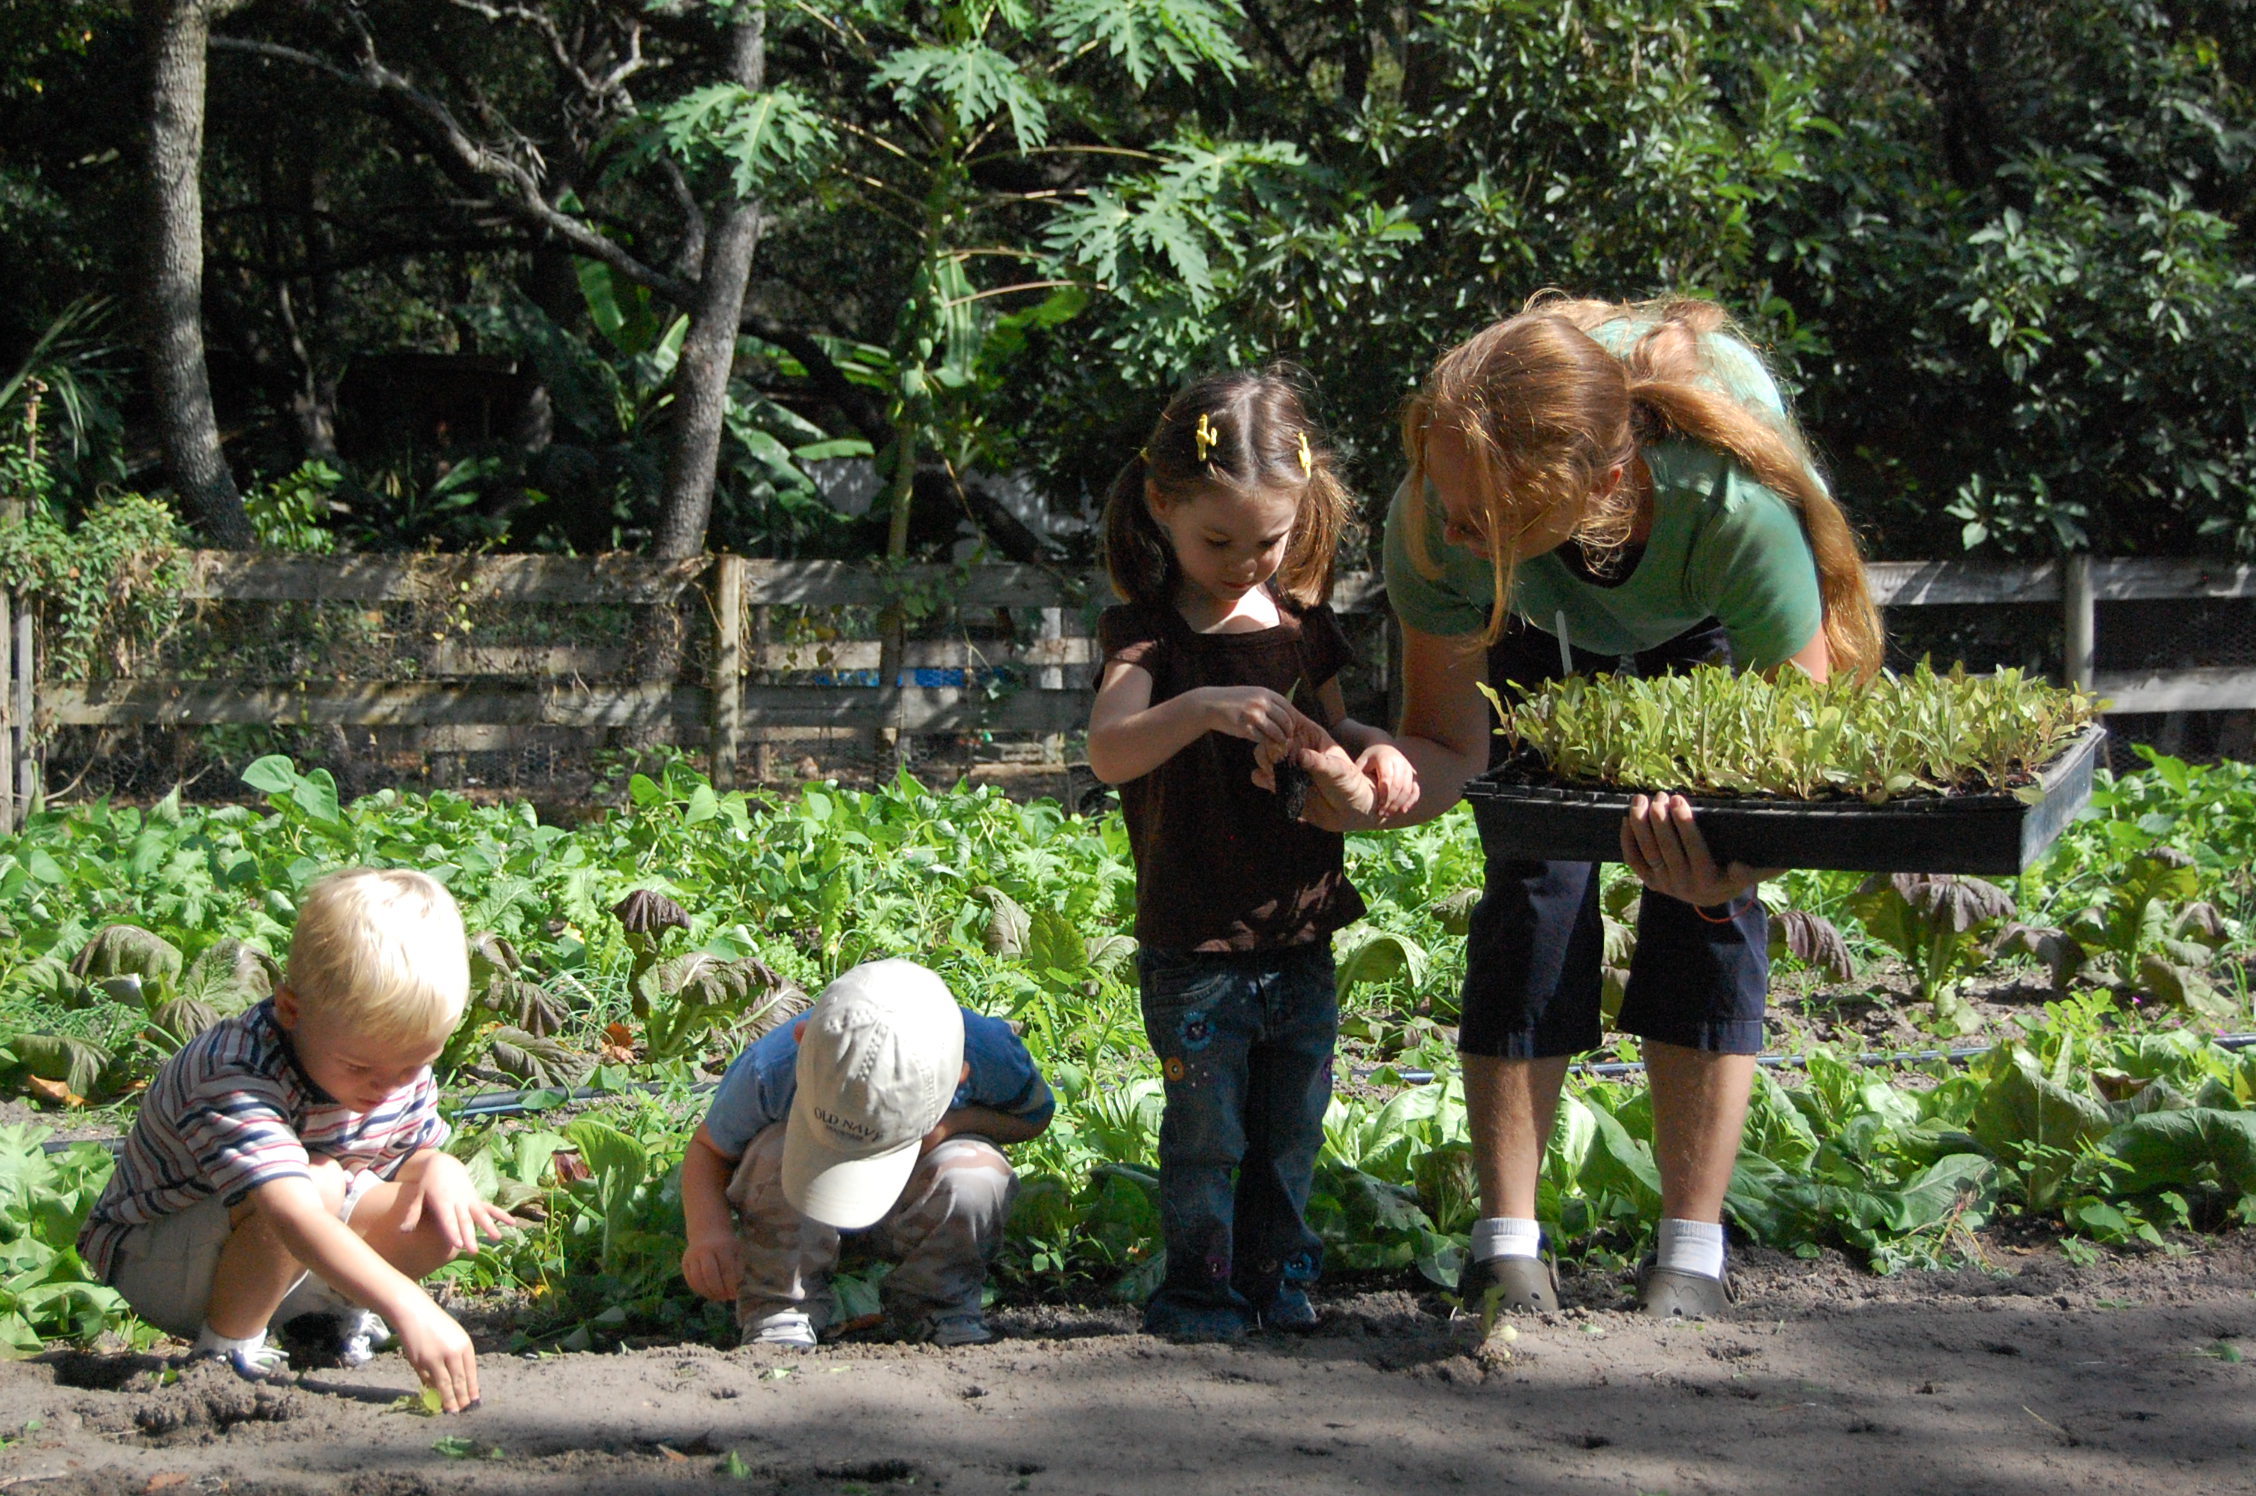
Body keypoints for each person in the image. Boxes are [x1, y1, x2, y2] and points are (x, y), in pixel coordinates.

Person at [1303, 296, 1882, 1320]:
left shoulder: (1732, 508)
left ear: (1604, 484)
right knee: (1532, 880)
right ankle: (1507, 1244)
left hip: (1696, 608)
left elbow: (1801, 768)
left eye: (1479, 516)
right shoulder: (1440, 521)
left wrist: (1739, 859)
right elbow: (1448, 749)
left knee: (1704, 896)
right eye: (1445, 501)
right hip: (1532, 611)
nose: (1448, 529)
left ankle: (1691, 1251)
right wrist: (1378, 792)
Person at [1084, 371, 1418, 1340]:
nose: (1243, 563)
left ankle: (1280, 1282)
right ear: (1161, 505)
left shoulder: (1302, 627)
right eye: (1217, 541)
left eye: (1267, 541)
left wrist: (1379, 750)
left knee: (1290, 1131)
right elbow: (1109, 751)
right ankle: (1198, 1291)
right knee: (1207, 1137)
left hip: (1300, 930)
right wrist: (1196, 709)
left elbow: (1340, 728)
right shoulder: (1149, 636)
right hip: (1196, 943)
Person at [79, 868, 509, 1411]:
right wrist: (408, 1305)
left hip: (278, 1250)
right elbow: (291, 1214)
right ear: (290, 1009)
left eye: (414, 1065)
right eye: (360, 1066)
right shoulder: (233, 1068)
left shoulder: (392, 1064)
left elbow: (410, 1151)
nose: (386, 1087)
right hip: (158, 1258)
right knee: (320, 1182)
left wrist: (438, 1168)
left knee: (437, 1215)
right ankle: (224, 1358)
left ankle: (318, 1324)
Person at [678, 958, 1053, 1348]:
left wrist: (951, 1127)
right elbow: (708, 1150)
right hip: (799, 1214)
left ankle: (937, 1305)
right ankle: (780, 1306)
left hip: (911, 1204)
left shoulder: (991, 1053)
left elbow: (1034, 1117)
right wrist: (709, 1232)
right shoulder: (769, 1069)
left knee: (977, 1173)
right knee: (773, 1150)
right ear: (803, 1041)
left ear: (960, 1074)